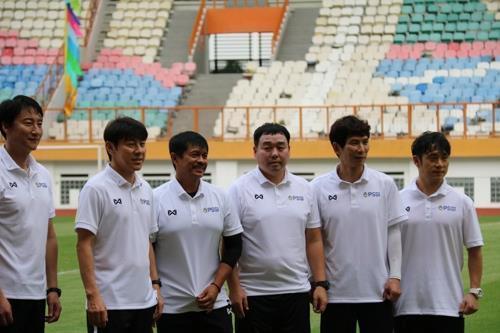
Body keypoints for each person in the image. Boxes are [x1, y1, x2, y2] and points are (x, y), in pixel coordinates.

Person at [228, 123, 328, 333]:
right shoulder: (238, 190)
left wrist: (320, 283)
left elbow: (314, 239)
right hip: (253, 295)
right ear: (255, 151)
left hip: (297, 292)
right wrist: (235, 288)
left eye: (280, 147)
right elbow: (228, 244)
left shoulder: (306, 189)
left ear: (289, 150)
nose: (274, 153)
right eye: (267, 147)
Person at [312, 115, 407, 333]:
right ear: (337, 148)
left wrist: (395, 277)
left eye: (365, 142)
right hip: (334, 295)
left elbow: (393, 233)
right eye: (354, 143)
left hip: (378, 292)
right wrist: (317, 283)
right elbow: (313, 239)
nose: (362, 149)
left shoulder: (385, 184)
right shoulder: (317, 188)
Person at [75, 117, 163, 333]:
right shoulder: (96, 189)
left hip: (144, 302)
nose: (139, 150)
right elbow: (84, 244)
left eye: (142, 144)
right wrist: (93, 295)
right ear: (110, 148)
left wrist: (155, 286)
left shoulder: (146, 189)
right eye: (131, 144)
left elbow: (147, 242)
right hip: (109, 303)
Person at [152, 131, 243, 333]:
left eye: (204, 155)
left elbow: (234, 246)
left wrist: (216, 286)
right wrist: (155, 288)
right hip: (171, 307)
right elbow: (147, 248)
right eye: (195, 155)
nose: (201, 160)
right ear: (175, 158)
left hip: (215, 303)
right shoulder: (155, 199)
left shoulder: (220, 197)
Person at [394, 131, 484, 333]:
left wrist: (474, 292)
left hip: (450, 306)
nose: (440, 164)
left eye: (444, 158)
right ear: (416, 161)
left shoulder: (462, 203)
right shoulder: (397, 201)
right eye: (433, 158)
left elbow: (475, 250)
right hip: (405, 305)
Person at [0, 95, 61, 333]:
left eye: (39, 123)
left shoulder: (43, 174)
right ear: (5, 126)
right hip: (6, 294)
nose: (36, 130)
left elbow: (50, 237)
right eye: (28, 122)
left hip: (35, 294)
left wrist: (52, 289)